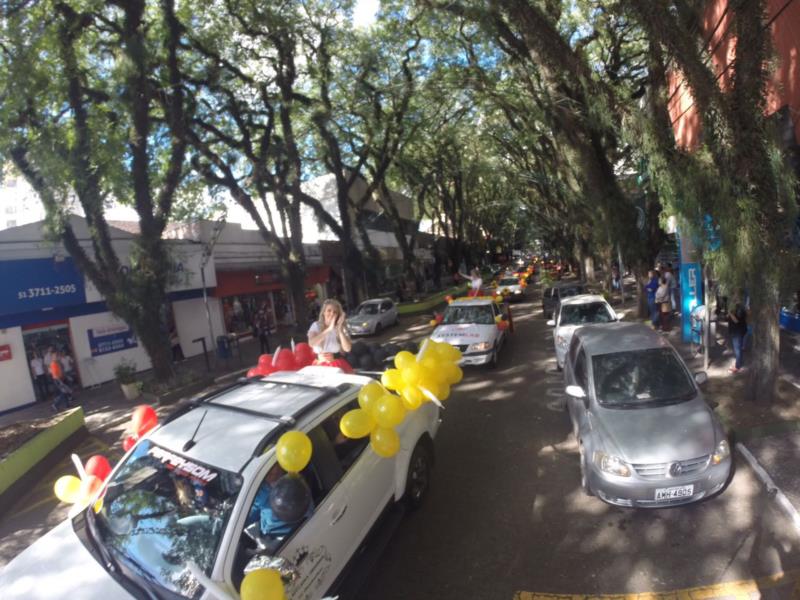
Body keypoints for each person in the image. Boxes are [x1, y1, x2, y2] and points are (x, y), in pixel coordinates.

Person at [246, 464, 313, 549]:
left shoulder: (296, 485)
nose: (268, 471)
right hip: (266, 537)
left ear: (280, 463)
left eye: (271, 467)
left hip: (289, 539)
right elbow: (248, 515)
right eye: (264, 468)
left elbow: (309, 514)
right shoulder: (261, 489)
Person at [307, 299, 353, 372]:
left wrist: (340, 330)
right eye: (329, 310)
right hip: (319, 366)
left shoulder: (340, 328)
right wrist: (329, 329)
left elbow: (347, 349)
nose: (332, 313)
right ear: (324, 312)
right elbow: (311, 343)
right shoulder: (316, 325)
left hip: (336, 366)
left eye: (335, 312)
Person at [728, 297, 748, 373]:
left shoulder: (740, 308)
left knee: (737, 349)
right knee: (738, 348)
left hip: (737, 331)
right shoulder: (738, 307)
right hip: (739, 330)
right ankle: (738, 362)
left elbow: (736, 320)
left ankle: (737, 366)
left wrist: (730, 313)